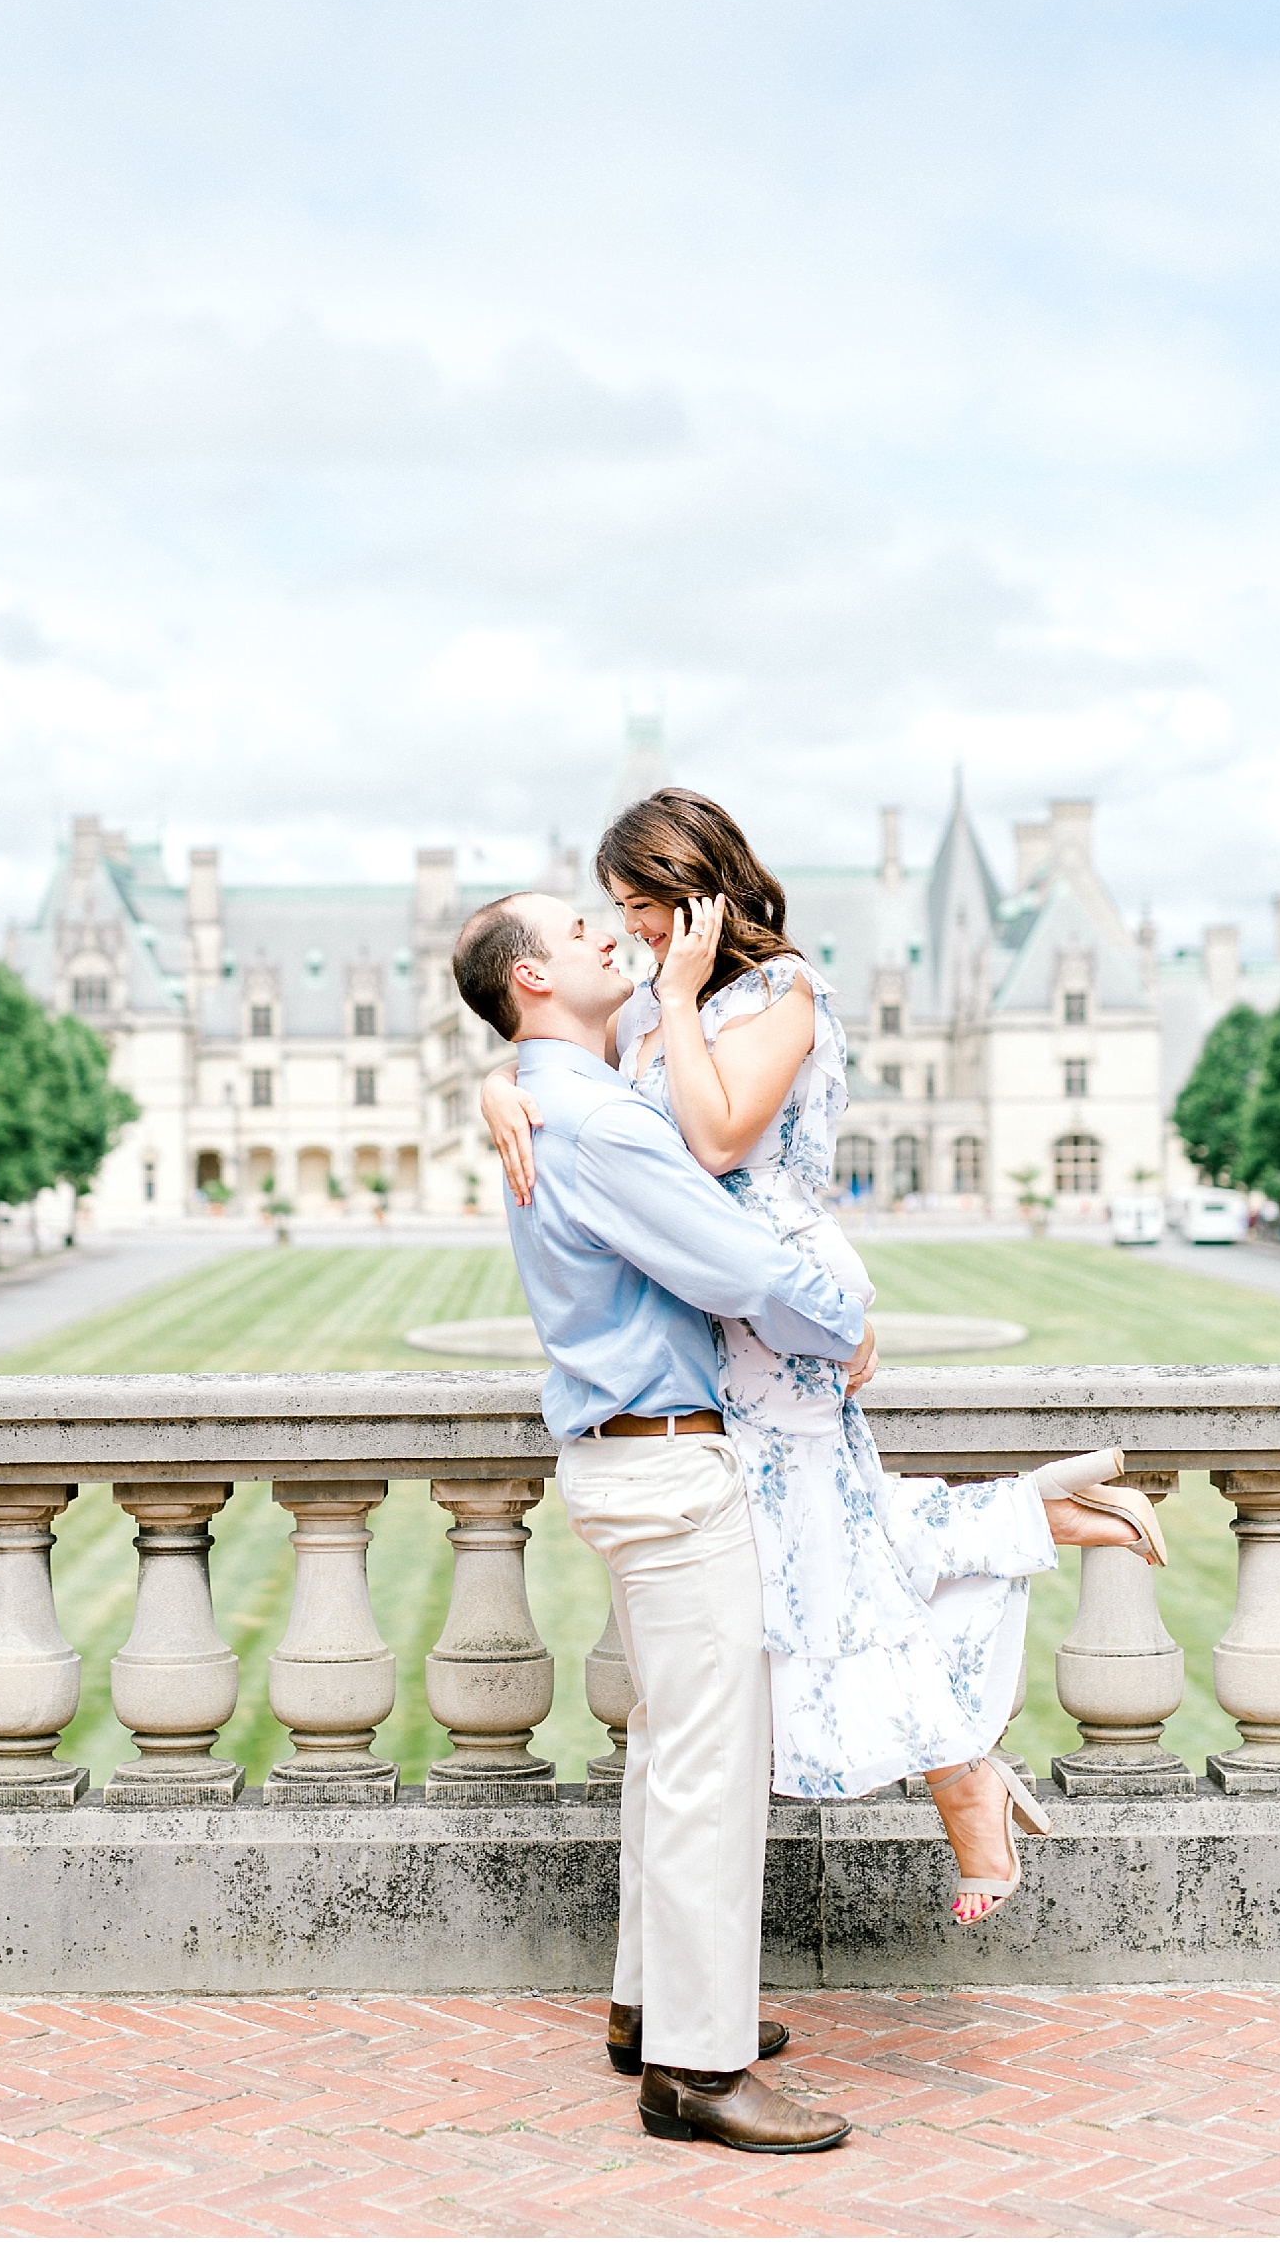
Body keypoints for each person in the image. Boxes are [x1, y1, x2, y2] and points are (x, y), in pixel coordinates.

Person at [483, 790, 1169, 1927]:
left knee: (803, 1565)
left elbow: (711, 1138)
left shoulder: (778, 993)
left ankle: (965, 1776)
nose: (630, 929)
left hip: (776, 1293)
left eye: (641, 905)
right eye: (614, 911)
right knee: (811, 1543)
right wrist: (497, 1083)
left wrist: (672, 996)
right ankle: (1032, 1530)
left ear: (697, 893)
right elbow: (571, 1072)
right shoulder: (664, 1009)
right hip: (718, 1301)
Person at [452, 888, 872, 2155]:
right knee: (706, 1770)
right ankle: (698, 2066)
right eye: (578, 931)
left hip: (624, 1462)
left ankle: (651, 2006)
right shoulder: (588, 1120)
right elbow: (736, 1267)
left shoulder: (553, 1094)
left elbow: (647, 1060)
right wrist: (845, 1321)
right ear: (531, 980)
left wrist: (505, 1074)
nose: (608, 935)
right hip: (673, 1468)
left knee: (662, 1756)